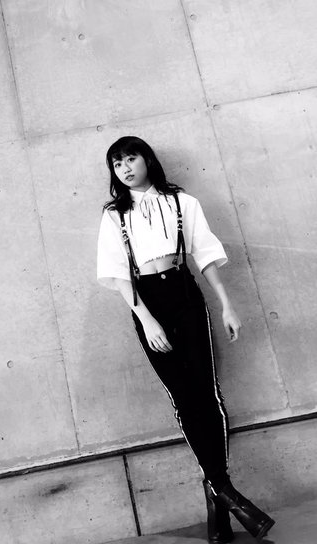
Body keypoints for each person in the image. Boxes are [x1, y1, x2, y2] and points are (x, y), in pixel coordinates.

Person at [97, 136, 275, 543]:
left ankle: (218, 495)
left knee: (208, 395)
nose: (125, 168)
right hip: (147, 303)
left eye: (130, 159)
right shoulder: (113, 215)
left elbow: (205, 256)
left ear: (146, 160)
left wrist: (226, 305)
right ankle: (224, 492)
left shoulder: (182, 202)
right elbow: (118, 274)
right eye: (117, 164)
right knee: (184, 399)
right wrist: (146, 320)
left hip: (185, 296)